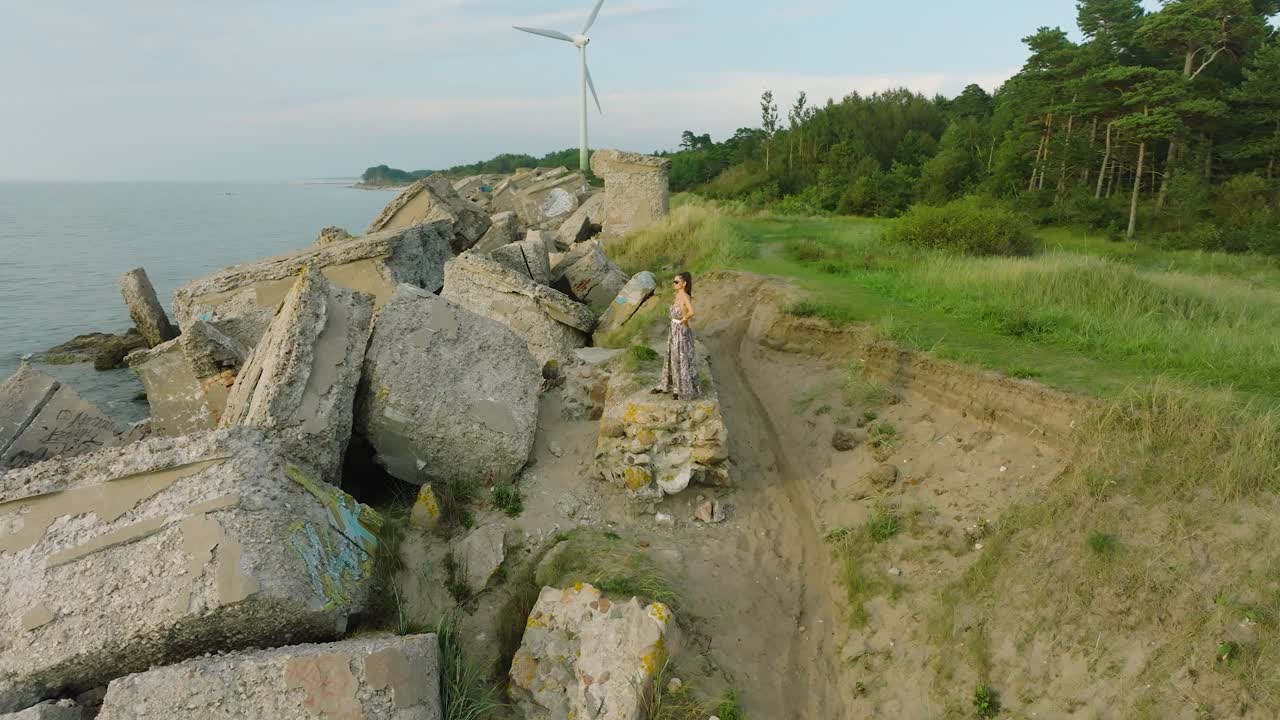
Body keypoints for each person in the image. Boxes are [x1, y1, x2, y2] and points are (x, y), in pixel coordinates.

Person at [653, 271, 699, 400]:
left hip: (681, 331)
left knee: (681, 359)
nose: (674, 284)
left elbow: (692, 311)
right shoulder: (677, 295)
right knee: (672, 357)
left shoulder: (684, 296)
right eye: (674, 281)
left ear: (684, 284)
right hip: (673, 329)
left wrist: (683, 320)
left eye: (676, 282)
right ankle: (671, 386)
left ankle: (682, 389)